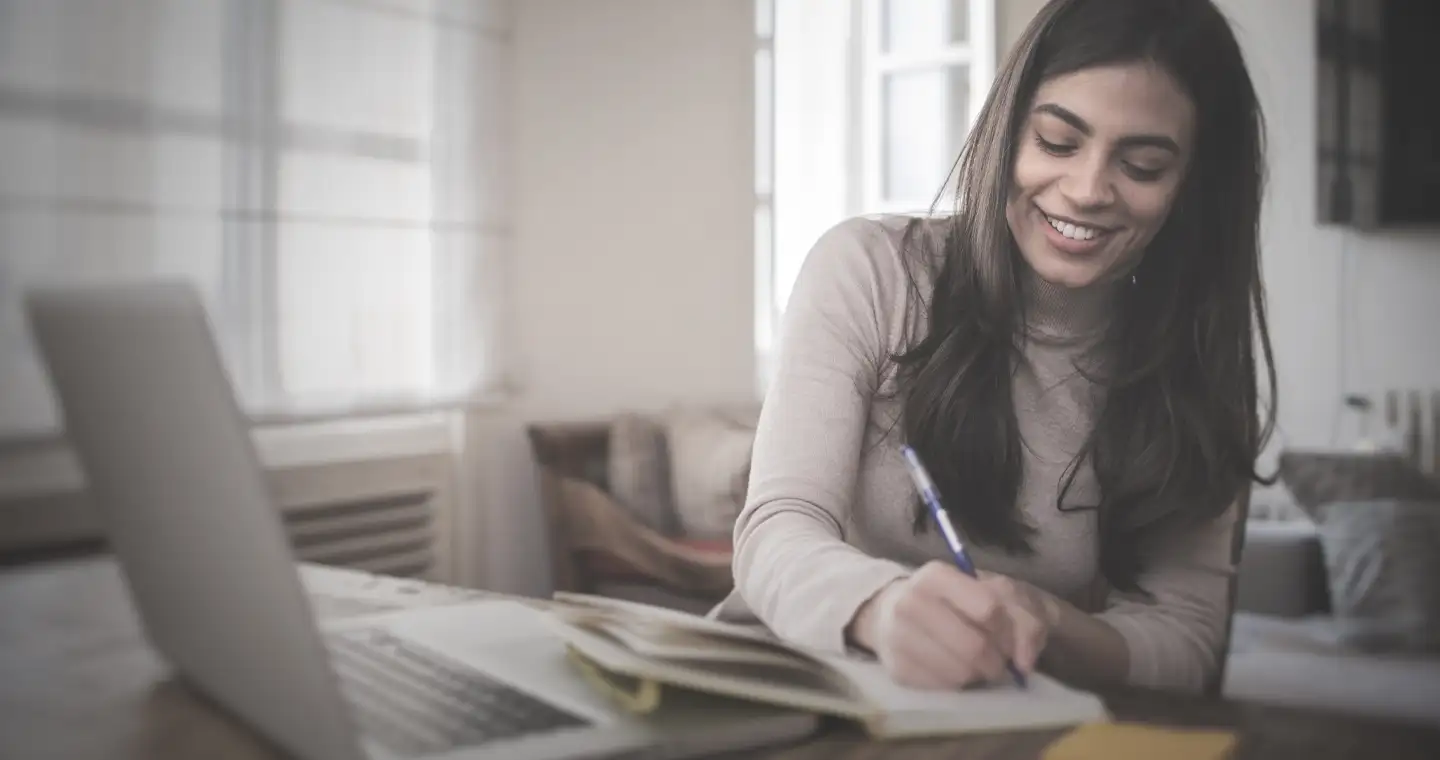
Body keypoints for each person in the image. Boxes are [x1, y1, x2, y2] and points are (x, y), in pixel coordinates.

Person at [709, 0, 1278, 696]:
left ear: (1191, 189)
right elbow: (775, 530)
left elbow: (1185, 642)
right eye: (1057, 142)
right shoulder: (870, 271)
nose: (1088, 189)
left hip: (992, 723)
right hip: (784, 691)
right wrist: (881, 608)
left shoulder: (1192, 358)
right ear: (1006, 130)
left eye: (1143, 165)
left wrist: (1049, 621)